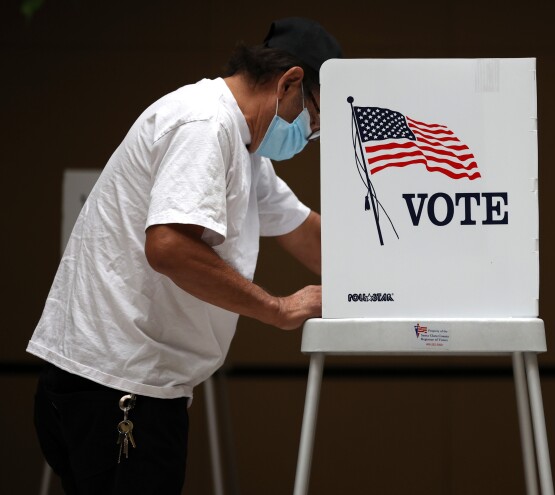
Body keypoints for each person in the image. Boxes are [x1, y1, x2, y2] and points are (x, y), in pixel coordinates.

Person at [27, 17, 341, 494]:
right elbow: (170, 247)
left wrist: (393, 283)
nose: (308, 136)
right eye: (313, 121)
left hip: (119, 384)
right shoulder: (205, 123)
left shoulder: (245, 146)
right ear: (291, 83)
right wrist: (278, 309)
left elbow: (304, 233)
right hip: (118, 388)